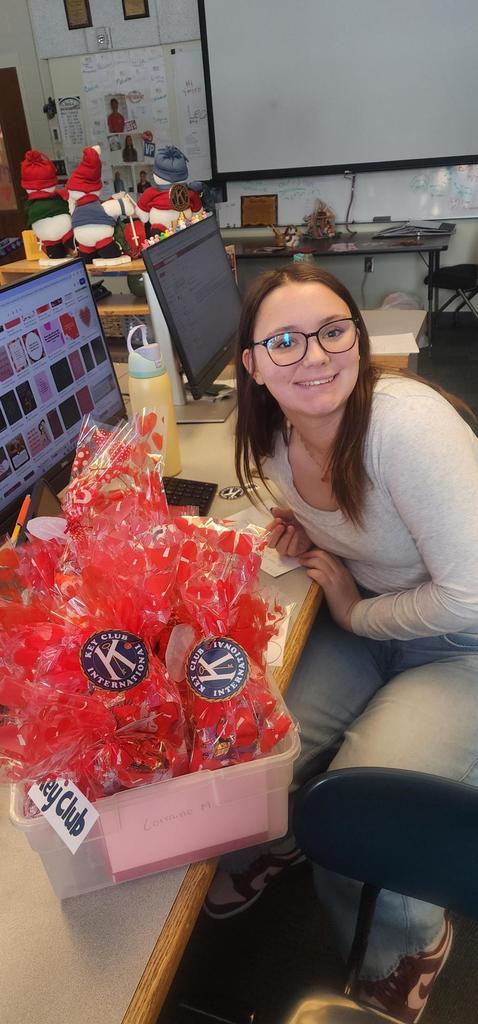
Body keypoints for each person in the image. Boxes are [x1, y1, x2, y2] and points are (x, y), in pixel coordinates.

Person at [206, 263, 478, 1024]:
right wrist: (309, 532)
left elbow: (469, 592)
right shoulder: (267, 443)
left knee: (364, 811)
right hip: (374, 616)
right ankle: (283, 840)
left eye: (332, 332)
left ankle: (409, 944)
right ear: (251, 366)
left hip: (461, 642)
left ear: (357, 341)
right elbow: (359, 524)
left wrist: (355, 614)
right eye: (285, 341)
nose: (315, 356)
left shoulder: (406, 426)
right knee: (258, 743)